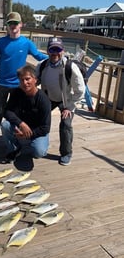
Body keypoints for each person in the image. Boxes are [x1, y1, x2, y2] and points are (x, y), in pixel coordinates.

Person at [0, 11, 48, 147]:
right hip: (1, 83)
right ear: (7, 26)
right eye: (10, 23)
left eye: (15, 23)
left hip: (19, 85)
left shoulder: (26, 43)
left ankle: (14, 134)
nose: (13, 26)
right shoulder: (0, 42)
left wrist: (54, 58)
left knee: (16, 112)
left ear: (21, 25)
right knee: (0, 111)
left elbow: (38, 56)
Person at [36, 37, 85, 166]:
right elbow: (35, 82)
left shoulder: (70, 67)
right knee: (37, 116)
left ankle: (66, 153)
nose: (55, 53)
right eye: (52, 49)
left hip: (66, 101)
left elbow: (80, 90)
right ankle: (36, 144)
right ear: (47, 51)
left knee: (66, 124)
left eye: (58, 49)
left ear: (63, 51)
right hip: (49, 98)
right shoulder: (42, 65)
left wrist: (70, 107)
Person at [1, 65, 51, 164]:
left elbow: (45, 127)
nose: (25, 83)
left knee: (39, 152)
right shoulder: (16, 92)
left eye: (28, 79)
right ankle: (14, 149)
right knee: (5, 125)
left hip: (36, 130)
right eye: (21, 80)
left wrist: (28, 134)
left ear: (35, 80)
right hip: (21, 126)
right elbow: (7, 111)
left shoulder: (43, 99)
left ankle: (34, 144)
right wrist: (21, 124)